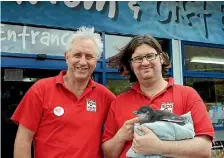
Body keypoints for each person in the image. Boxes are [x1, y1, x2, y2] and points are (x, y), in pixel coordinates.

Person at [102, 35, 214, 158]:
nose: (145, 62)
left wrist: (158, 146)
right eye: (138, 58)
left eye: (150, 56)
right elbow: (108, 153)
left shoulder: (187, 95)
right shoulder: (118, 102)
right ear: (131, 65)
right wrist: (120, 136)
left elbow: (204, 149)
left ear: (161, 58)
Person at [11, 26, 116, 158]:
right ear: (67, 57)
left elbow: (124, 122)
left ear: (96, 61)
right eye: (77, 55)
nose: (82, 62)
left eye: (89, 56)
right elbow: (23, 140)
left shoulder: (105, 96)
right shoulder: (41, 89)